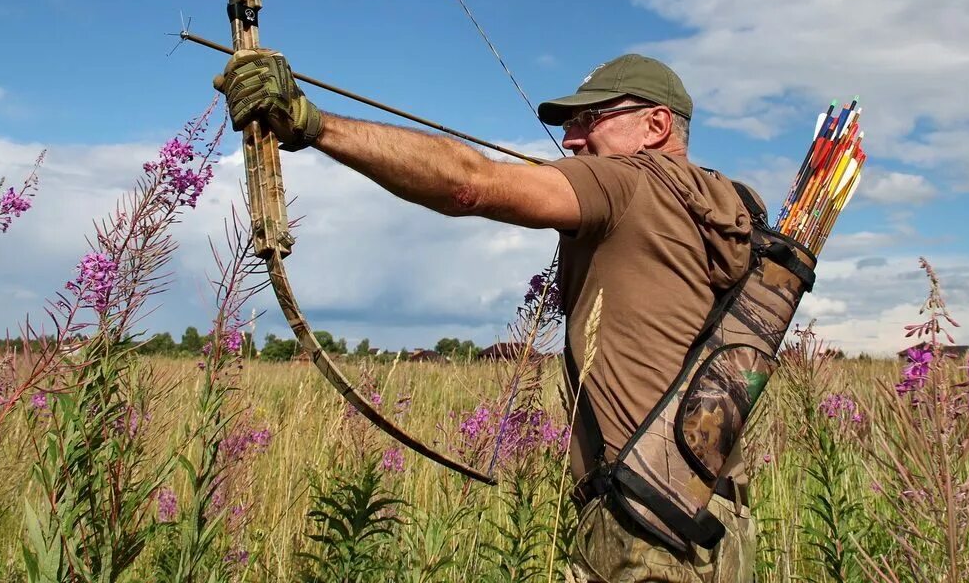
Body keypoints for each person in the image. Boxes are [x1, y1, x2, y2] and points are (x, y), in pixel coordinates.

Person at [216, 50, 759, 582]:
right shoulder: (735, 206)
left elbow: (468, 184)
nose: (572, 139)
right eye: (569, 124)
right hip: (721, 522)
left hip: (641, 529)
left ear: (656, 125)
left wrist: (313, 124)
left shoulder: (626, 181)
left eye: (590, 119)